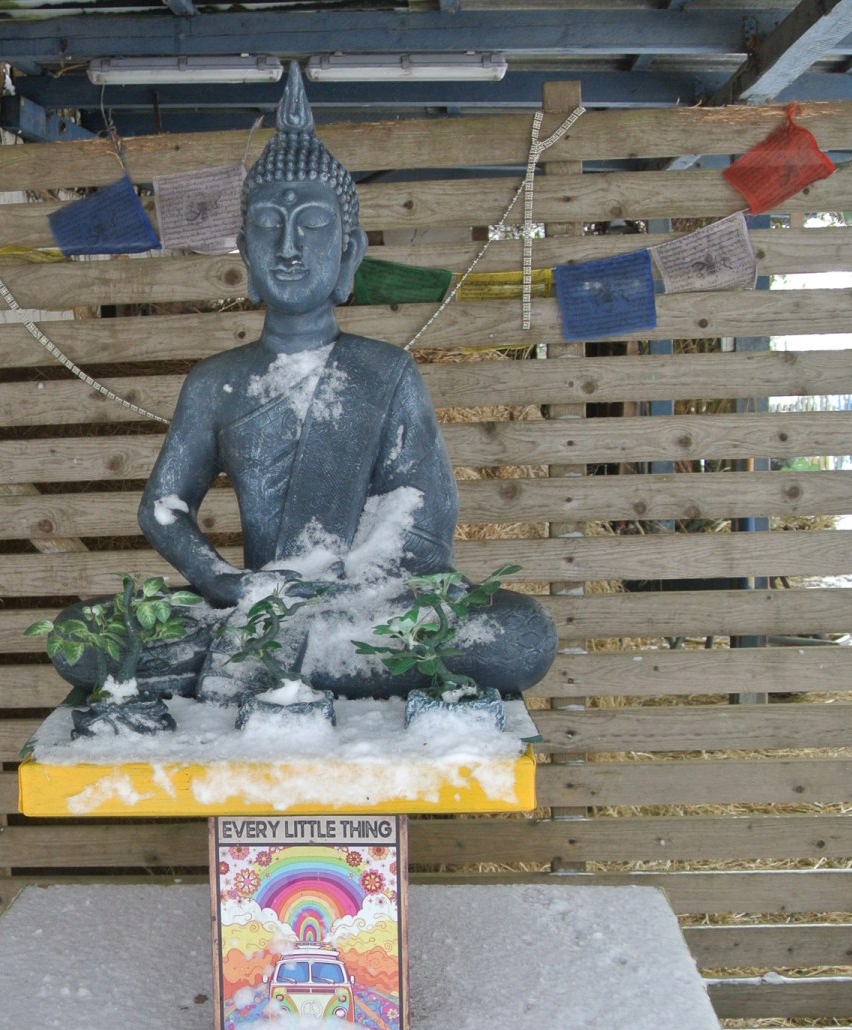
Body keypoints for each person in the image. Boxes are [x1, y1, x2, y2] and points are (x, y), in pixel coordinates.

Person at [50, 63, 556, 706]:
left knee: (521, 636)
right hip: (256, 601)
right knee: (78, 637)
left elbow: (420, 518)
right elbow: (163, 507)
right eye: (268, 226)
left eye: (312, 226)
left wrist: (345, 584)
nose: (288, 247)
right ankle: (293, 657)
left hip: (365, 605)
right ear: (245, 252)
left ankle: (272, 661)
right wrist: (222, 581)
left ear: (349, 252)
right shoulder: (216, 382)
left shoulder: (386, 372)